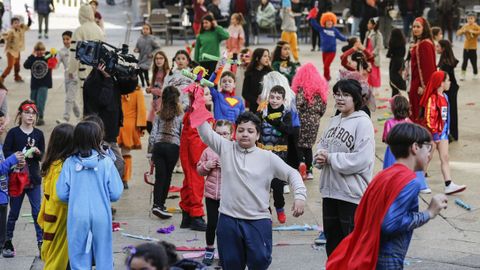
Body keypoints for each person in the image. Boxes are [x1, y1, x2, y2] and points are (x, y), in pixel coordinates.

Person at [189, 81, 306, 268]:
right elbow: (204, 132)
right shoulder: (225, 148)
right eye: (241, 130)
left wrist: (299, 196)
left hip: (258, 221)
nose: (245, 134)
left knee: (260, 261)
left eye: (250, 131)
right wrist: (197, 102)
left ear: (258, 135)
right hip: (228, 219)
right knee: (231, 263)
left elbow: (292, 174)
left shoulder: (267, 157)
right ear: (235, 132)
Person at [326, 122, 448, 269]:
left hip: (369, 252)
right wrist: (429, 213)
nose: (430, 154)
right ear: (415, 147)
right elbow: (390, 224)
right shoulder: (410, 181)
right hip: (388, 259)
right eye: (428, 147)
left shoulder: (382, 175)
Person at [314, 79, 375, 256]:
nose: (340, 99)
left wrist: (331, 158)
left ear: (355, 99)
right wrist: (318, 158)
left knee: (353, 248)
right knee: (333, 247)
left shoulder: (363, 123)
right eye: (337, 94)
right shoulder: (333, 121)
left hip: (352, 196)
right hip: (330, 193)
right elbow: (322, 146)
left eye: (346, 95)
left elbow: (361, 160)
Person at [56, 121, 123, 270]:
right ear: (97, 138)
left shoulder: (69, 163)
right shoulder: (106, 162)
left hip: (78, 215)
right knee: (104, 254)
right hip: (101, 215)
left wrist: (74, 197)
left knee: (78, 254)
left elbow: (61, 193)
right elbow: (116, 193)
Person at [2, 100, 45, 258]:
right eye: (27, 113)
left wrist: (39, 153)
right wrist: (15, 157)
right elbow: (6, 151)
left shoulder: (38, 134)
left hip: (33, 178)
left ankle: (41, 243)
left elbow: (44, 156)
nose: (30, 116)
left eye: (33, 113)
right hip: (17, 179)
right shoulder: (13, 133)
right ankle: (8, 241)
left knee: (37, 212)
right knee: (13, 212)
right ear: (20, 115)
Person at [419, 71, 466, 195]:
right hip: (433, 134)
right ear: (441, 83)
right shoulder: (432, 99)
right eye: (448, 80)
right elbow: (429, 118)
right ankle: (419, 183)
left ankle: (448, 184)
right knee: (427, 158)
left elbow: (446, 116)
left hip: (443, 133)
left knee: (445, 157)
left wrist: (447, 130)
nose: (449, 82)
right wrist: (435, 135)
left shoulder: (445, 97)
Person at [37, 123, 74, 270]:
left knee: (55, 256)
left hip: (51, 217)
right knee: (57, 261)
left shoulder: (52, 162)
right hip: (60, 218)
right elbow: (59, 197)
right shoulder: (61, 168)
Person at [196, 120, 233, 266]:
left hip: (228, 195)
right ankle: (210, 249)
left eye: (225, 133)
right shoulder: (208, 150)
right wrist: (207, 166)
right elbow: (199, 170)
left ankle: (226, 252)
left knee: (226, 226)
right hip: (211, 195)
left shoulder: (233, 149)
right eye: (218, 134)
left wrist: (226, 166)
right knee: (212, 224)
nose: (222, 136)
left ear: (231, 135)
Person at [257, 85, 294, 224]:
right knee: (263, 187)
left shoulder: (286, 114)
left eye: (278, 98)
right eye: (272, 97)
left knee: (278, 187)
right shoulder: (263, 111)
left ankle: (279, 208)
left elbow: (290, 131)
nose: (274, 100)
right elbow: (254, 125)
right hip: (262, 155)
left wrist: (278, 123)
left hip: (279, 156)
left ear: (283, 100)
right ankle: (267, 212)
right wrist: (258, 114)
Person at [179, 85, 213, 231]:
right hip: (194, 155)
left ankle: (187, 215)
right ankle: (196, 216)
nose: (210, 96)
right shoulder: (197, 114)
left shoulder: (195, 112)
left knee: (189, 184)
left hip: (191, 153)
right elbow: (194, 138)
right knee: (195, 185)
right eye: (206, 94)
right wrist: (201, 160)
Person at [148, 86, 183, 219]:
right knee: (167, 176)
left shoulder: (158, 114)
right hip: (173, 147)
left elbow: (152, 135)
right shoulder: (180, 115)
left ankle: (156, 205)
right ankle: (161, 205)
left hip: (159, 146)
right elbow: (182, 133)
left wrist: (151, 152)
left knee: (159, 177)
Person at [291, 63, 328, 180]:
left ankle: (301, 165)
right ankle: (310, 171)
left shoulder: (302, 88)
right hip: (315, 121)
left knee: (299, 144)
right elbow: (323, 108)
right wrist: (316, 116)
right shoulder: (320, 91)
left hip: (302, 120)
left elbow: (298, 104)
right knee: (309, 146)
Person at [0, 111, 25, 258]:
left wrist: (17, 165)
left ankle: (3, 245)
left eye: (3, 124)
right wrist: (12, 159)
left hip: (3, 194)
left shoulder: (1, 145)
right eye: (0, 124)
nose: (2, 127)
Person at [67, 4, 105, 92]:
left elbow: (74, 54)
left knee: (84, 100)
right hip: (97, 71)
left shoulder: (79, 31)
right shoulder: (99, 30)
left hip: (84, 71)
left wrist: (71, 70)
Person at [117, 85, 147, 189]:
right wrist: (142, 127)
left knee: (113, 153)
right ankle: (125, 178)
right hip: (130, 125)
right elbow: (141, 110)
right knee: (126, 153)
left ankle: (115, 177)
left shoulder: (115, 87)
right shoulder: (137, 91)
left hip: (116, 124)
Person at [408, 17, 436, 123]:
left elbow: (428, 68)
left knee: (420, 113)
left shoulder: (425, 44)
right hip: (415, 82)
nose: (415, 29)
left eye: (418, 27)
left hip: (420, 85)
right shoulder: (420, 42)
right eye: (414, 27)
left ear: (424, 28)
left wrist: (425, 87)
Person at [310, 12, 347, 81]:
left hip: (332, 51)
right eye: (327, 22)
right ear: (324, 22)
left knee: (326, 66)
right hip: (324, 51)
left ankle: (325, 78)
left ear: (333, 22)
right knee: (326, 66)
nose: (329, 23)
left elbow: (341, 37)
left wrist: (347, 39)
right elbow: (314, 24)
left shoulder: (334, 30)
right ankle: (327, 76)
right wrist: (312, 17)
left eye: (331, 21)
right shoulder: (321, 29)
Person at [23, 41, 53, 126]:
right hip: (35, 84)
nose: (40, 52)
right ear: (35, 50)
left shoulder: (46, 57)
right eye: (38, 50)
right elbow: (26, 65)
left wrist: (49, 53)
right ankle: (33, 117)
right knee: (33, 101)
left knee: (40, 101)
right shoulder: (33, 59)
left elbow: (52, 56)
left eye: (42, 50)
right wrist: (32, 55)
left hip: (44, 84)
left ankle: (40, 117)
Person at [56, 30, 81, 124]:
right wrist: (51, 60)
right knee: (72, 99)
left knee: (69, 99)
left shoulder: (77, 50)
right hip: (67, 79)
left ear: (72, 39)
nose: (65, 41)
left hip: (76, 78)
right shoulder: (61, 52)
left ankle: (66, 118)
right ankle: (80, 116)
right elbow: (56, 65)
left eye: (67, 39)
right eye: (64, 39)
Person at [436, 40, 459, 142]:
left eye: (438, 47)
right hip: (451, 88)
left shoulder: (446, 63)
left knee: (450, 112)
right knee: (450, 111)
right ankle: (452, 134)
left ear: (443, 48)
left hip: (450, 89)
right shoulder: (445, 59)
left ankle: (451, 134)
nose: (436, 48)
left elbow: (444, 78)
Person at [382, 95, 412, 168]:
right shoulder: (409, 122)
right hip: (406, 153)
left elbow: (386, 139)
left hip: (392, 152)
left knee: (390, 173)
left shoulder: (389, 123)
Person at [1, 16, 32, 83]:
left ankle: (17, 77)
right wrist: (2, 40)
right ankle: (2, 78)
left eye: (18, 22)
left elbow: (28, 25)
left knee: (17, 65)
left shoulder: (21, 29)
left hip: (17, 51)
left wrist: (29, 18)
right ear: (12, 25)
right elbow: (4, 35)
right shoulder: (10, 31)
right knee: (10, 66)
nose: (17, 24)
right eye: (15, 23)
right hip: (11, 51)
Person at [242, 48, 272, 112]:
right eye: (265, 56)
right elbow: (245, 93)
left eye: (268, 56)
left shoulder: (270, 73)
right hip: (255, 108)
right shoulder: (249, 74)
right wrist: (256, 100)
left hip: (269, 106)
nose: (267, 58)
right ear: (257, 58)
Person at [147, 51, 170, 133]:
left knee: (156, 128)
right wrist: (150, 88)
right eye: (156, 58)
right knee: (149, 126)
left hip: (163, 104)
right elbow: (154, 85)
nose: (158, 60)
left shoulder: (167, 73)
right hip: (155, 102)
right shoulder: (156, 71)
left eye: (161, 58)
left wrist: (151, 90)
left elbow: (165, 91)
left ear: (165, 60)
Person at [135, 23, 160, 89]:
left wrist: (152, 54)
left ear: (150, 30)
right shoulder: (139, 39)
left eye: (147, 29)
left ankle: (147, 82)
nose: (145, 30)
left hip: (148, 58)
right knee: (139, 71)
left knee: (144, 71)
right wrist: (136, 50)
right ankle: (143, 82)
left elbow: (158, 47)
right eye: (144, 29)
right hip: (141, 58)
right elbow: (137, 47)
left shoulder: (152, 39)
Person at [456, 12, 480, 81]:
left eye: (471, 18)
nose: (470, 20)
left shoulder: (476, 26)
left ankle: (475, 73)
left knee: (474, 62)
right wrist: (463, 31)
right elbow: (458, 33)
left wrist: (472, 31)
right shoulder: (465, 26)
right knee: (464, 62)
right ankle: (463, 75)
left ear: (474, 19)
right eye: (468, 18)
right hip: (466, 48)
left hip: (473, 48)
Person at [364, 18, 383, 91]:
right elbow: (365, 43)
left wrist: (372, 54)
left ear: (374, 25)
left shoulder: (378, 34)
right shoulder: (367, 33)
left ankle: (373, 90)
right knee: (367, 73)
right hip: (367, 55)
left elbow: (379, 46)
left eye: (369, 23)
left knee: (373, 74)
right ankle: (368, 88)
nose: (367, 25)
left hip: (373, 57)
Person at [387, 28, 407, 96]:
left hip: (394, 61)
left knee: (393, 79)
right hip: (401, 61)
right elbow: (404, 53)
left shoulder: (392, 42)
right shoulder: (403, 42)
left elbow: (389, 54)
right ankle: (400, 91)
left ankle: (396, 94)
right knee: (399, 76)